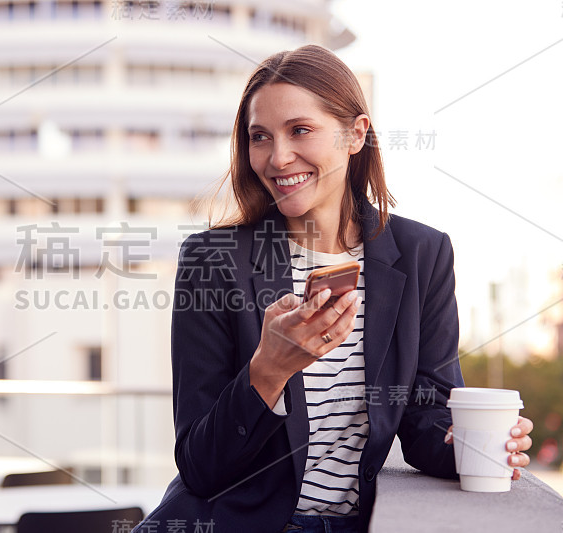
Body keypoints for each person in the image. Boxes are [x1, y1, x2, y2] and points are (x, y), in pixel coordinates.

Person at [133, 45, 534, 533]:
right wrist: (268, 371)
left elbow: (424, 415)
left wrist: (473, 445)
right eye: (260, 137)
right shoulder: (213, 260)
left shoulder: (422, 253)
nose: (278, 158)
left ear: (355, 135)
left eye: (300, 130)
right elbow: (199, 464)